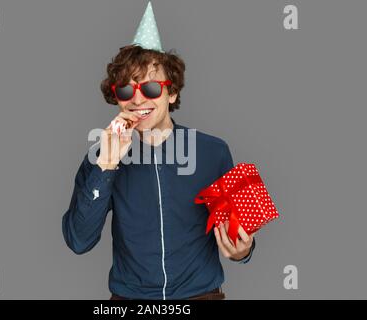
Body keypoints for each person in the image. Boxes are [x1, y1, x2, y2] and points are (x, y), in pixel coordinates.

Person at [62, 2, 255, 300]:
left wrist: (245, 249)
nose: (138, 100)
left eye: (151, 89)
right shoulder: (100, 156)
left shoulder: (214, 151)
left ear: (172, 92)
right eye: (126, 90)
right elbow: (78, 240)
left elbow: (240, 233)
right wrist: (106, 166)